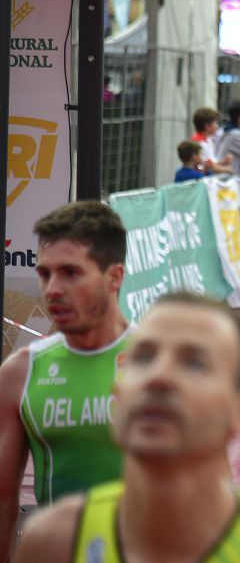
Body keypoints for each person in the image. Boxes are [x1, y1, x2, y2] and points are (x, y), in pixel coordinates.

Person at [14, 292, 240, 563]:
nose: (159, 377)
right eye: (143, 357)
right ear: (118, 391)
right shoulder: (55, 541)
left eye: (194, 363)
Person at [0, 202, 132, 560]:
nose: (53, 289)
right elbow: (4, 501)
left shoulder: (161, 365)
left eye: (71, 273)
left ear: (114, 277)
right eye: (45, 274)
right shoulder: (20, 373)